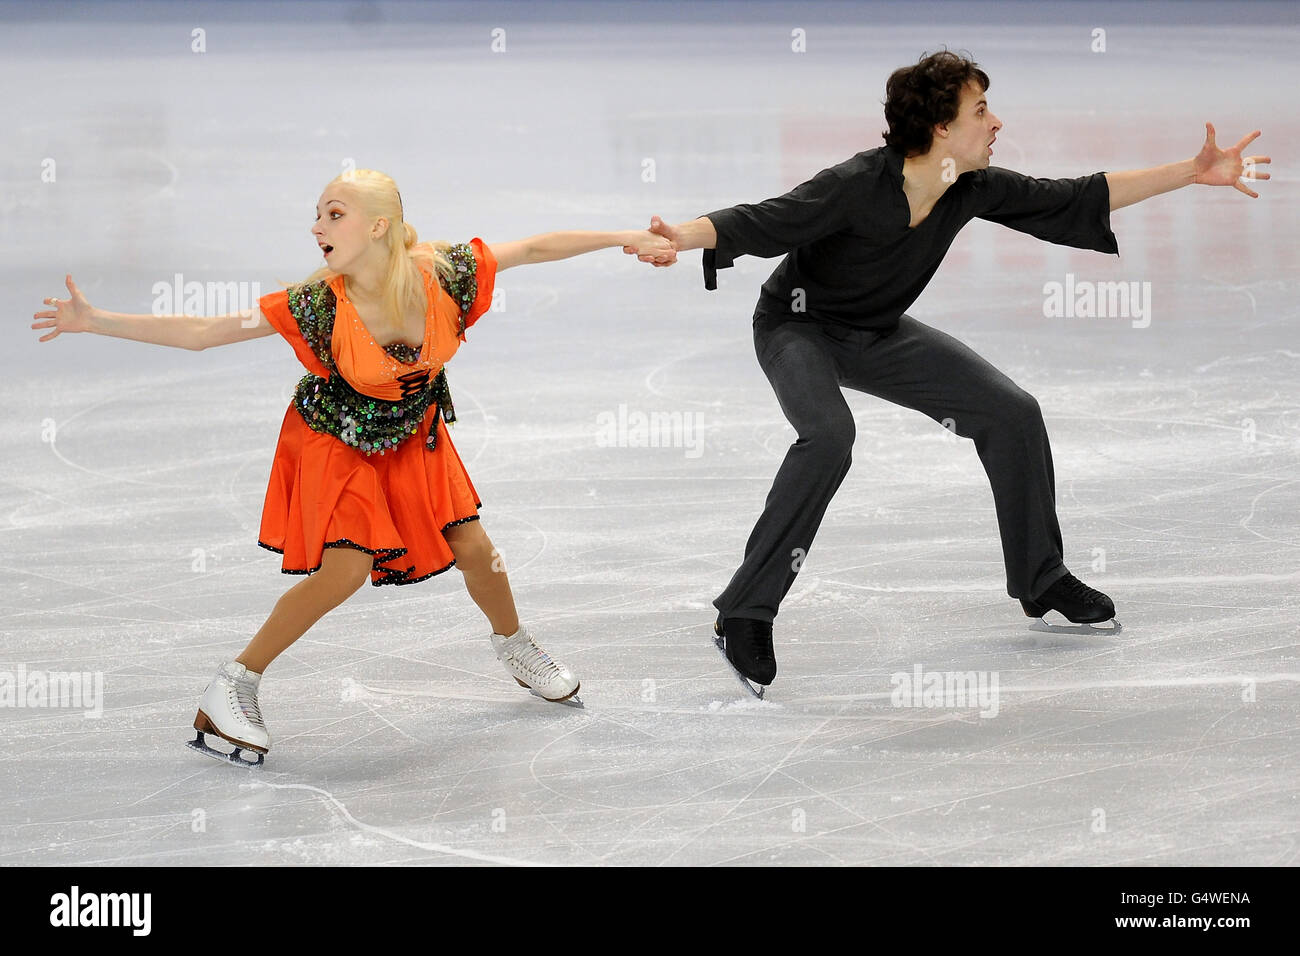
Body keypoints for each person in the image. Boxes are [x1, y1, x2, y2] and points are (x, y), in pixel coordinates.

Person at [632, 50, 1269, 694]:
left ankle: (1041, 578)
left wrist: (1192, 172)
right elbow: (764, 219)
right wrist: (680, 238)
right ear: (941, 126)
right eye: (981, 110)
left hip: (878, 333)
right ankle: (743, 611)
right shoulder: (858, 184)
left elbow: (1077, 196)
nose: (996, 122)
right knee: (828, 436)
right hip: (798, 327)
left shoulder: (971, 188)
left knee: (1011, 413)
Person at [32, 168, 676, 764]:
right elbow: (205, 333)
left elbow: (534, 249)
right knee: (346, 570)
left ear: (377, 227)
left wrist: (627, 238)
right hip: (336, 438)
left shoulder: (444, 273)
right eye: (316, 216)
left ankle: (515, 646)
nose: (316, 228)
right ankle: (233, 683)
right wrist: (95, 321)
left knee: (477, 548)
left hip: (413, 432)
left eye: (332, 214)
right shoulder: (319, 304)